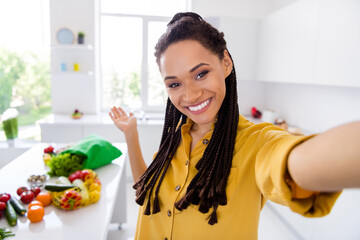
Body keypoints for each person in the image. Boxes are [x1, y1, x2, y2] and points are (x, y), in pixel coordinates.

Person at [109, 12, 360, 239]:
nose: (191, 95)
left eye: (200, 74)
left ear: (226, 63)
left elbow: (294, 162)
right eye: (175, 84)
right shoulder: (174, 138)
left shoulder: (256, 142)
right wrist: (131, 133)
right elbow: (145, 191)